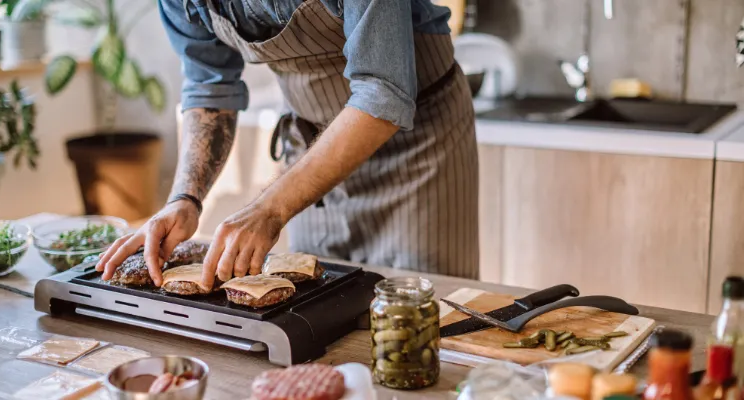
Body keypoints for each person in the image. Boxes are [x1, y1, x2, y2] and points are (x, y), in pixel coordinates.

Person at [96, 0, 480, 290]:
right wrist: (185, 199)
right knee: (321, 308)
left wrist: (270, 206)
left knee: (419, 321)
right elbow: (209, 88)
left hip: (417, 147)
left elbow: (384, 91)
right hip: (309, 145)